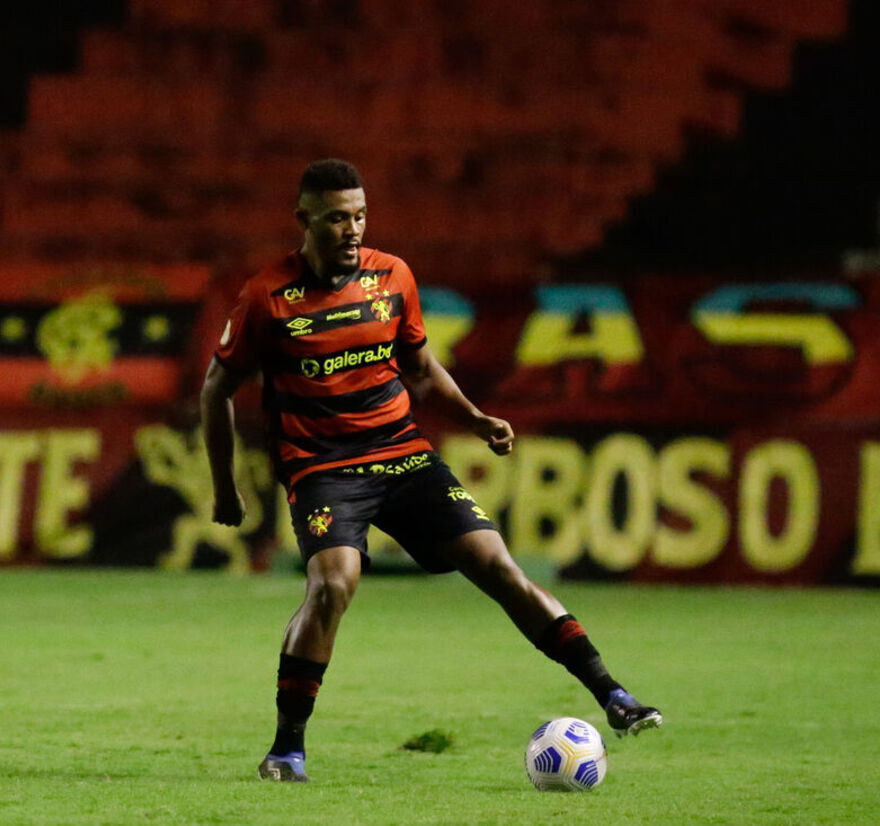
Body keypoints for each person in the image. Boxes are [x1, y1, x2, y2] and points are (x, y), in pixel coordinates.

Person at [200, 158, 661, 783]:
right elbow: (216, 389)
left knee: (498, 565)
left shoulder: (392, 277)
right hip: (323, 467)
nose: (352, 229)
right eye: (336, 218)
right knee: (333, 584)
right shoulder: (267, 296)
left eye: (360, 215)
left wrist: (476, 419)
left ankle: (613, 694)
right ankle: (287, 750)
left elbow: (419, 369)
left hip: (404, 454)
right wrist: (225, 487)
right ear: (304, 218)